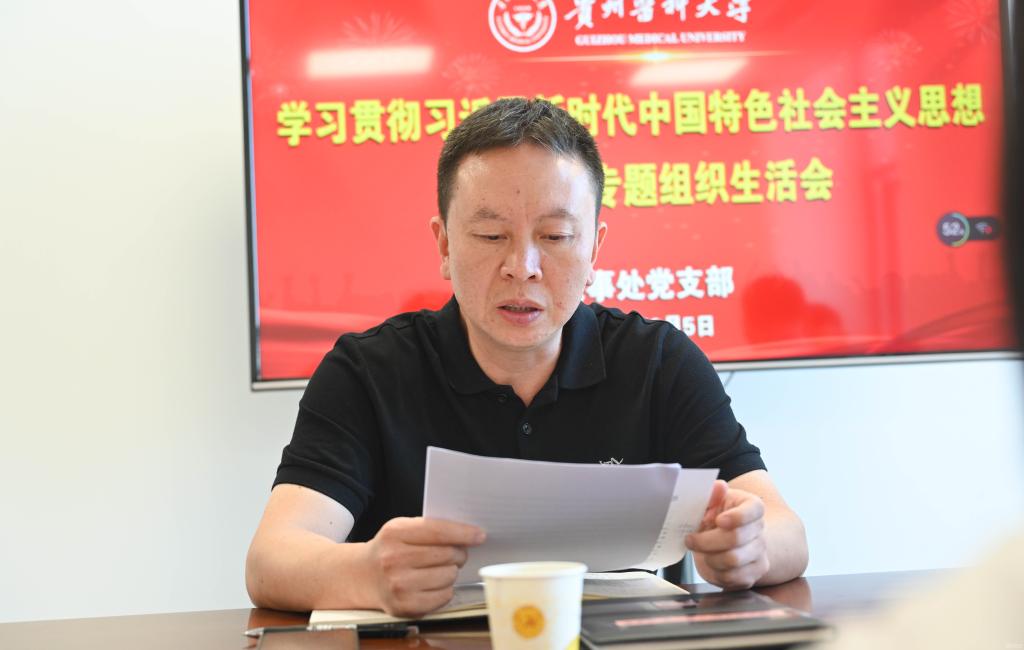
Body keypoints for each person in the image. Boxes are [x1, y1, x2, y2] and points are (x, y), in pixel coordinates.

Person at [245, 98, 809, 617]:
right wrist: (365, 573)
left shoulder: (657, 362)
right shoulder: (367, 371)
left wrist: (749, 547)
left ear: (594, 248)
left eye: (556, 236)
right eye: (491, 236)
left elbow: (787, 531)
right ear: (444, 244)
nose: (523, 267)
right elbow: (272, 558)